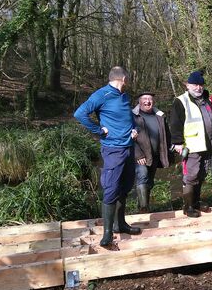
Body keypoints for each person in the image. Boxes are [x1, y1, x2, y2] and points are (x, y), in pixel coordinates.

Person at [74, 66, 141, 247]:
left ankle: (121, 225)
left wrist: (135, 129)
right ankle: (108, 233)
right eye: (128, 78)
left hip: (129, 149)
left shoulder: (125, 97)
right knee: (111, 189)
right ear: (123, 78)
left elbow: (132, 119)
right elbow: (80, 113)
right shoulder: (101, 95)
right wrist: (99, 130)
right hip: (113, 150)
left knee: (125, 187)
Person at [169, 71, 212, 217]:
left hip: (207, 145)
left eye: (200, 85)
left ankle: (197, 201)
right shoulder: (181, 101)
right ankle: (188, 206)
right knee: (191, 176)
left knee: (201, 175)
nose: (198, 88)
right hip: (191, 147)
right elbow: (175, 124)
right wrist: (178, 143)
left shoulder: (207, 101)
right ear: (188, 85)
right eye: (195, 85)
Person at [132, 92, 173, 213]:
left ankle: (144, 205)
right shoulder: (132, 115)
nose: (147, 101)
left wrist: (170, 149)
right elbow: (128, 137)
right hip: (140, 155)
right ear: (139, 101)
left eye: (150, 99)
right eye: (144, 99)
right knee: (143, 176)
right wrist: (138, 154)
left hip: (154, 155)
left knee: (149, 181)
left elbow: (167, 135)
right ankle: (143, 209)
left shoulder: (159, 115)